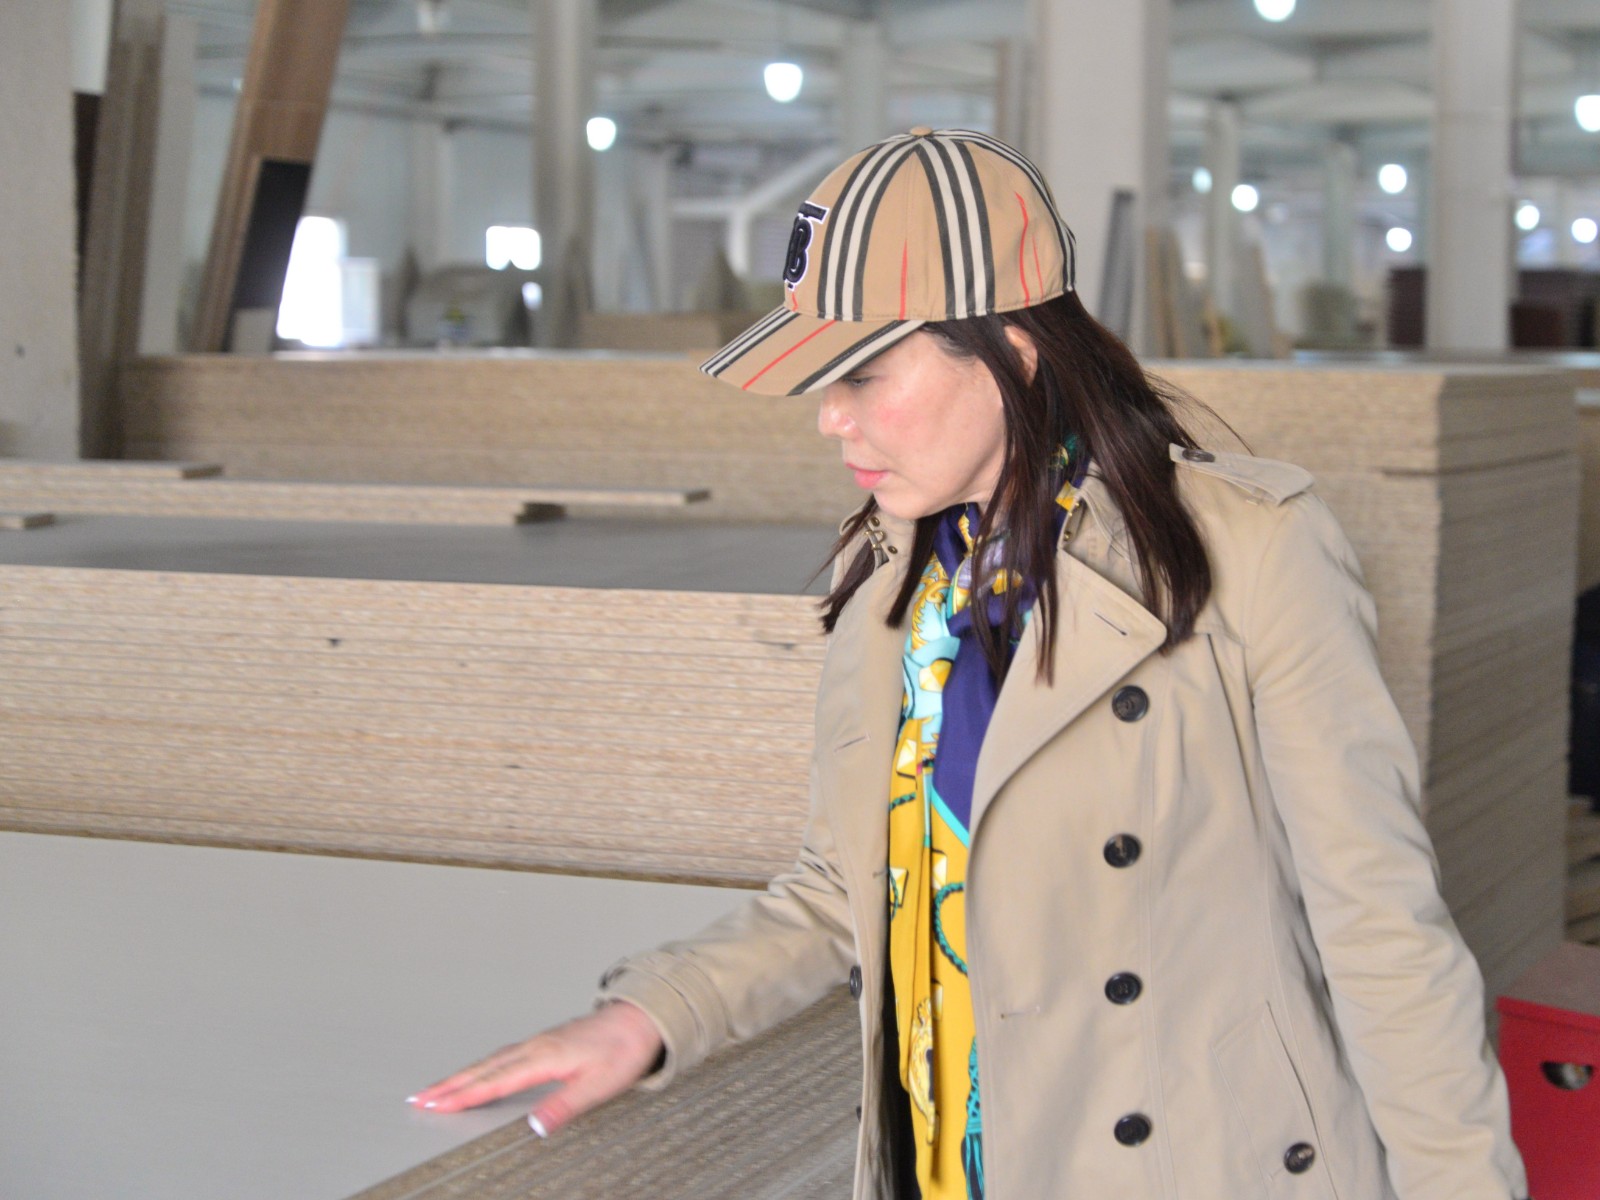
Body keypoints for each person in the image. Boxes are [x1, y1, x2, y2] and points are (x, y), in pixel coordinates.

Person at [408, 128, 1529, 1200]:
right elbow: (850, 885)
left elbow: (1380, 928)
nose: (829, 420)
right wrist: (650, 1016)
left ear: (1012, 354)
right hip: (946, 1162)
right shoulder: (893, 579)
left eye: (863, 373)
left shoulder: (1247, 552)